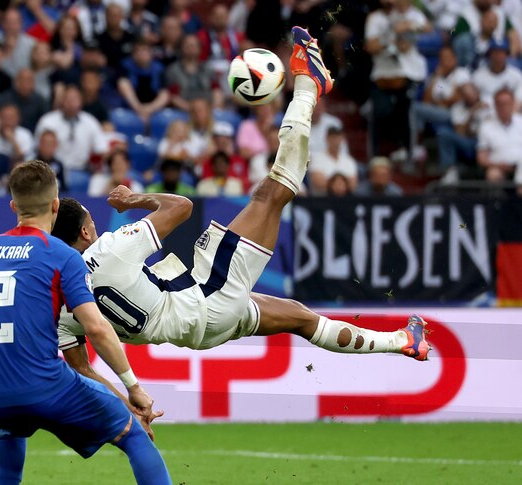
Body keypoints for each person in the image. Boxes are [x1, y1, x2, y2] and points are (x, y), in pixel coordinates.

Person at [49, 29, 429, 393]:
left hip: (197, 330)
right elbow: (180, 206)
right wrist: (133, 200)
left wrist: (128, 399)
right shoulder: (110, 248)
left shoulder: (64, 302)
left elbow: (81, 367)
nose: (96, 226)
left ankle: (402, 341)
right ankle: (309, 86)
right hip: (204, 298)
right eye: (91, 221)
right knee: (270, 193)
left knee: (298, 316)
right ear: (84, 233)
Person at [0, 160, 171, 485]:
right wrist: (133, 387)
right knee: (132, 433)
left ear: (12, 206)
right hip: (43, 387)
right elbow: (96, 327)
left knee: (12, 426)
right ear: (55, 204)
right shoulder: (62, 256)